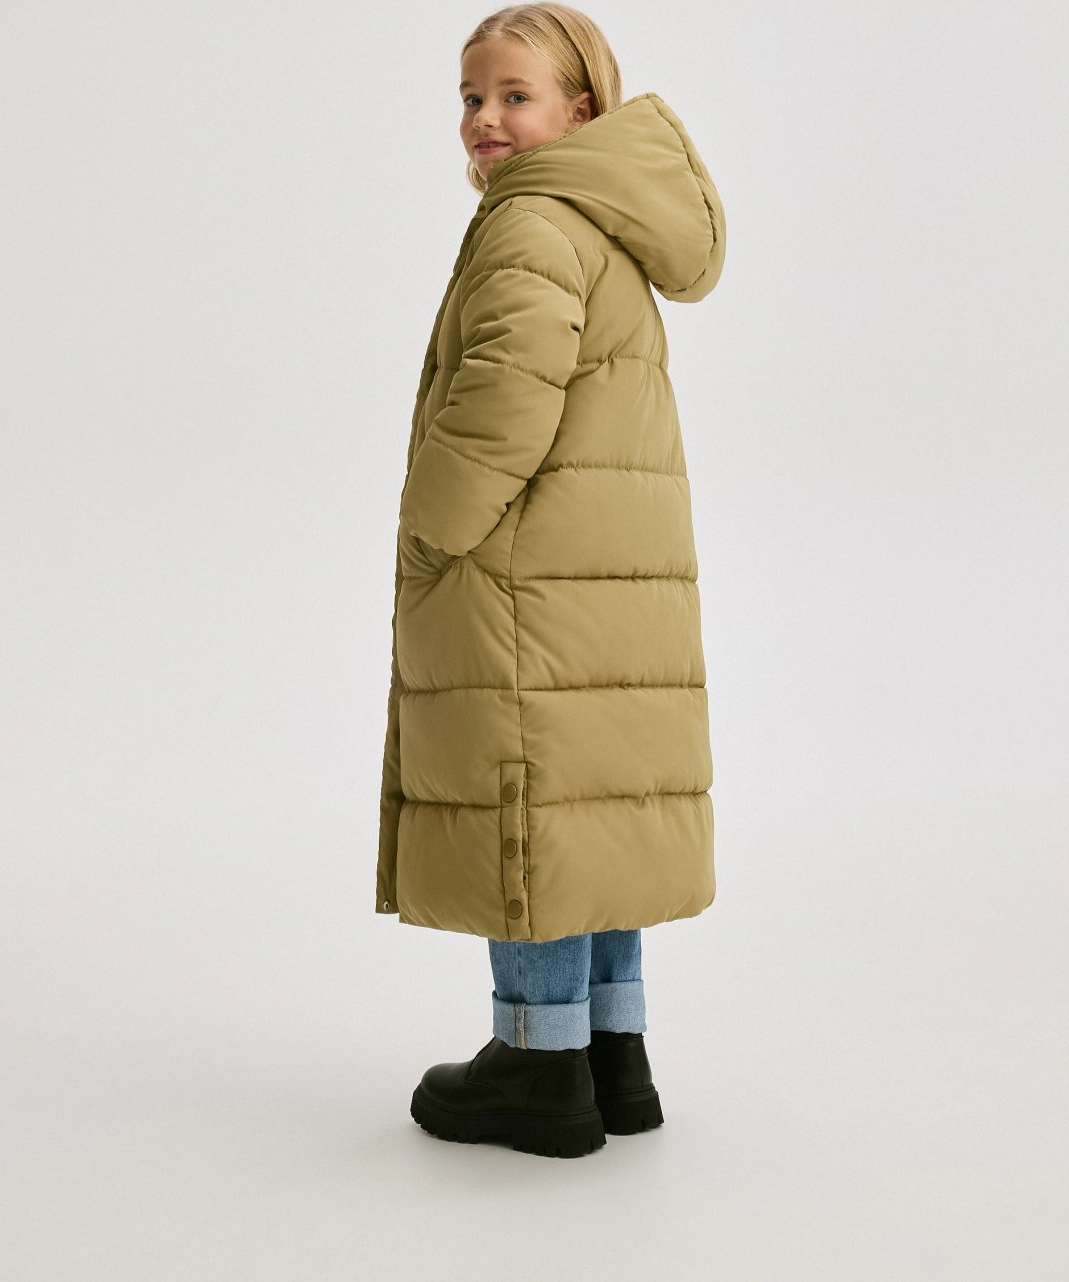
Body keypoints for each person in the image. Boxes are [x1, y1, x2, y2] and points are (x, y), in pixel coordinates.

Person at [375, 2, 726, 1158]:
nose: (484, 119)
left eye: (514, 96)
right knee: (589, 820)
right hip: (603, 594)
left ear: (581, 111)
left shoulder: (530, 225)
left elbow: (503, 405)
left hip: (531, 591)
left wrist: (431, 529)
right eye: (471, 98)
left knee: (528, 812)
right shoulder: (603, 224)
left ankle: (536, 1061)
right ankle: (611, 1053)